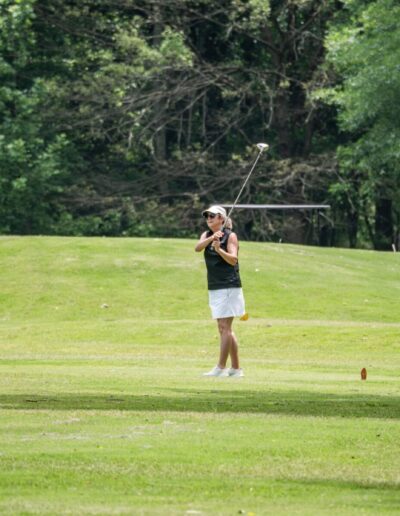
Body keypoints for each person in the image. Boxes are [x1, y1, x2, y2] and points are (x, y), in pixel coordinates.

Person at [195, 205, 245, 377]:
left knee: (225, 327)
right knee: (223, 328)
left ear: (221, 219)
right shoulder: (206, 235)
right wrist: (212, 239)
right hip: (215, 285)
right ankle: (236, 369)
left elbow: (233, 260)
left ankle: (221, 367)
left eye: (212, 216)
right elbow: (197, 248)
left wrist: (218, 249)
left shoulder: (231, 236)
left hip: (229, 285)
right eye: (207, 216)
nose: (208, 218)